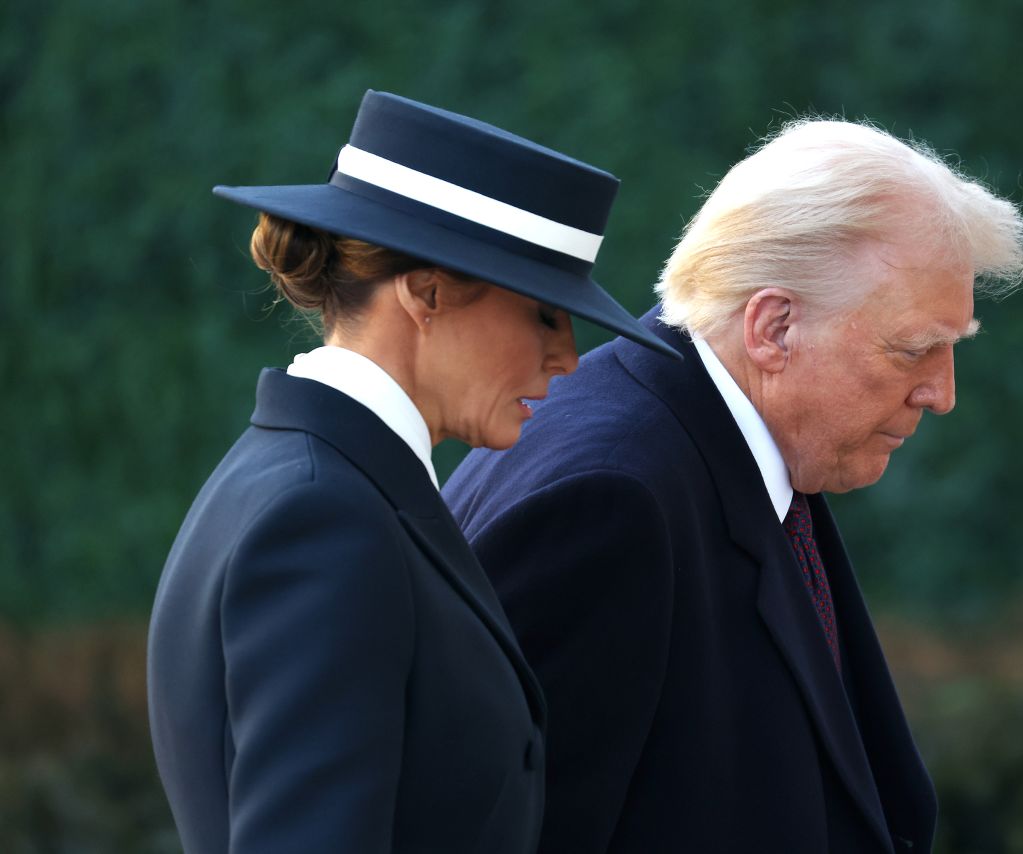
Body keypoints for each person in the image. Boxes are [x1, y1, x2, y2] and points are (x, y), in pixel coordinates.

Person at [443, 118, 1023, 853]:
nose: (941, 393)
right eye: (913, 350)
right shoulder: (612, 501)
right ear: (773, 327)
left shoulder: (736, 440)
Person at [147, 90, 678, 854]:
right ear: (427, 293)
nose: (567, 357)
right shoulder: (324, 520)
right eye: (543, 313)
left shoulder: (318, 483)